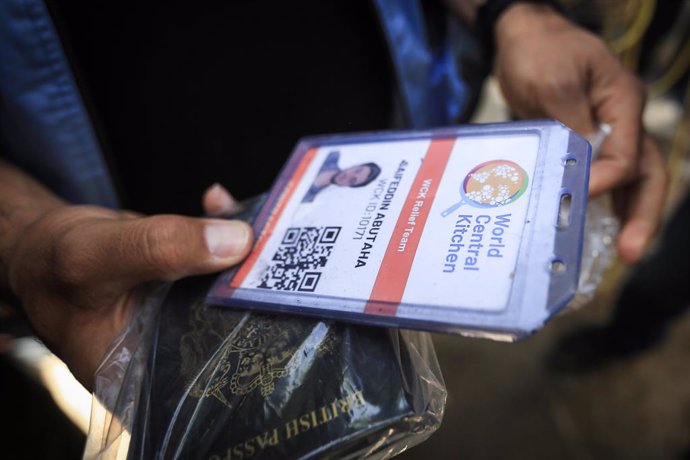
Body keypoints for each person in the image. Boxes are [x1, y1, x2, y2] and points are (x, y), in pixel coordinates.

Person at [0, 0, 667, 398]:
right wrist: (22, 232)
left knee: (385, 400)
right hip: (119, 265)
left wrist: (513, 15)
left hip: (389, 172)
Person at [302, 151, 382, 203]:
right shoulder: (331, 154)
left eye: (353, 180)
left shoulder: (308, 198)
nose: (349, 176)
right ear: (354, 166)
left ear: (349, 186)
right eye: (357, 170)